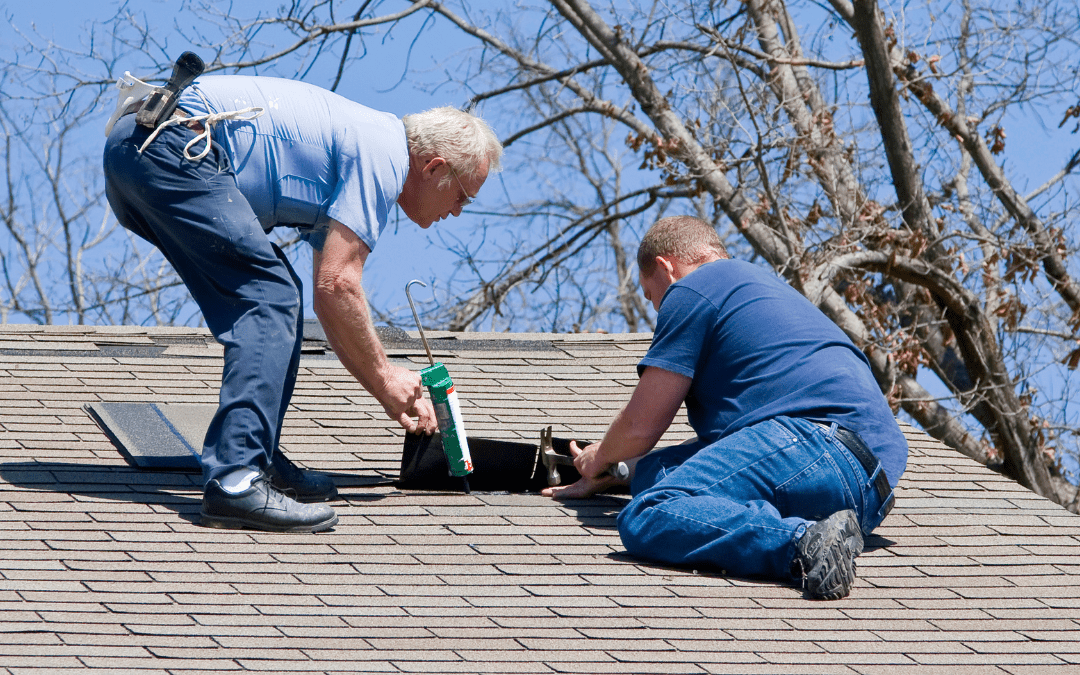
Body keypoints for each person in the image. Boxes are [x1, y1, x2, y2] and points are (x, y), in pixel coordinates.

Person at [103, 73, 502, 533]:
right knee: (269, 296)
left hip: (137, 147)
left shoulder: (359, 145)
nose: (456, 210)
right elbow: (339, 285)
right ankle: (236, 479)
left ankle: (258, 458)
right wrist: (387, 377)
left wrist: (383, 385)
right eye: (463, 196)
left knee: (279, 297)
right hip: (171, 146)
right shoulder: (383, 155)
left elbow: (327, 298)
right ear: (432, 168)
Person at [543, 215, 907, 600]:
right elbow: (720, 456)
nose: (658, 310)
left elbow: (640, 427)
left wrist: (598, 459)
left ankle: (803, 541)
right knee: (656, 476)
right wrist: (621, 473)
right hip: (866, 492)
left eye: (652, 296)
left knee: (650, 512)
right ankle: (821, 533)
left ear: (666, 268)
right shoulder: (758, 290)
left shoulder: (693, 288)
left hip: (815, 443)